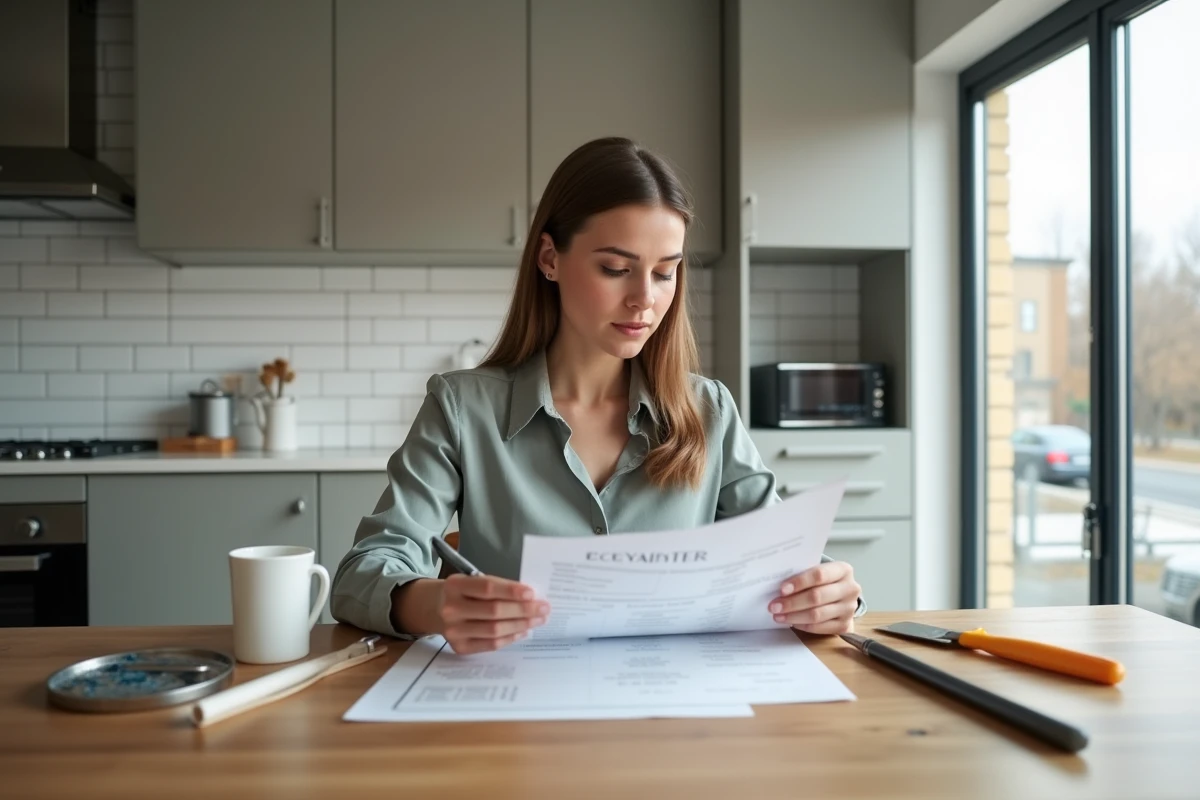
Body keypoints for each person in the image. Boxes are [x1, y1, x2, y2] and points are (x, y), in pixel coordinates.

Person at [332, 137, 864, 654]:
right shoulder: (461, 408)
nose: (644, 300)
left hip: (675, 720)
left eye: (664, 273)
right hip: (512, 723)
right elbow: (364, 571)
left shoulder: (710, 411)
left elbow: (784, 562)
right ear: (549, 258)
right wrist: (431, 604)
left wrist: (832, 596)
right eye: (615, 269)